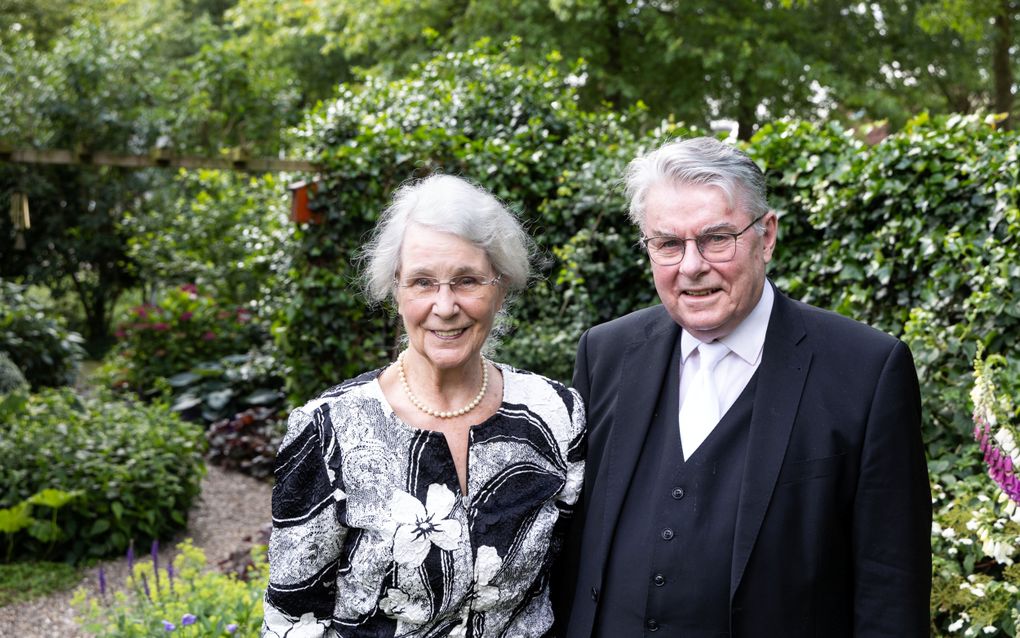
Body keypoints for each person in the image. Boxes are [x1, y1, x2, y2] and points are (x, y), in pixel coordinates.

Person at [560, 137, 931, 637]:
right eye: (668, 244)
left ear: (767, 235)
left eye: (716, 238)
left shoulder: (866, 370)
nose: (691, 266)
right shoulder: (605, 354)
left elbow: (891, 584)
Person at [262, 174, 586, 637]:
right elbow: (292, 622)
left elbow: (572, 583)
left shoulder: (557, 417)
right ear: (396, 290)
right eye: (422, 282)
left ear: (501, 286)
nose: (445, 305)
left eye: (468, 280)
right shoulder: (327, 429)